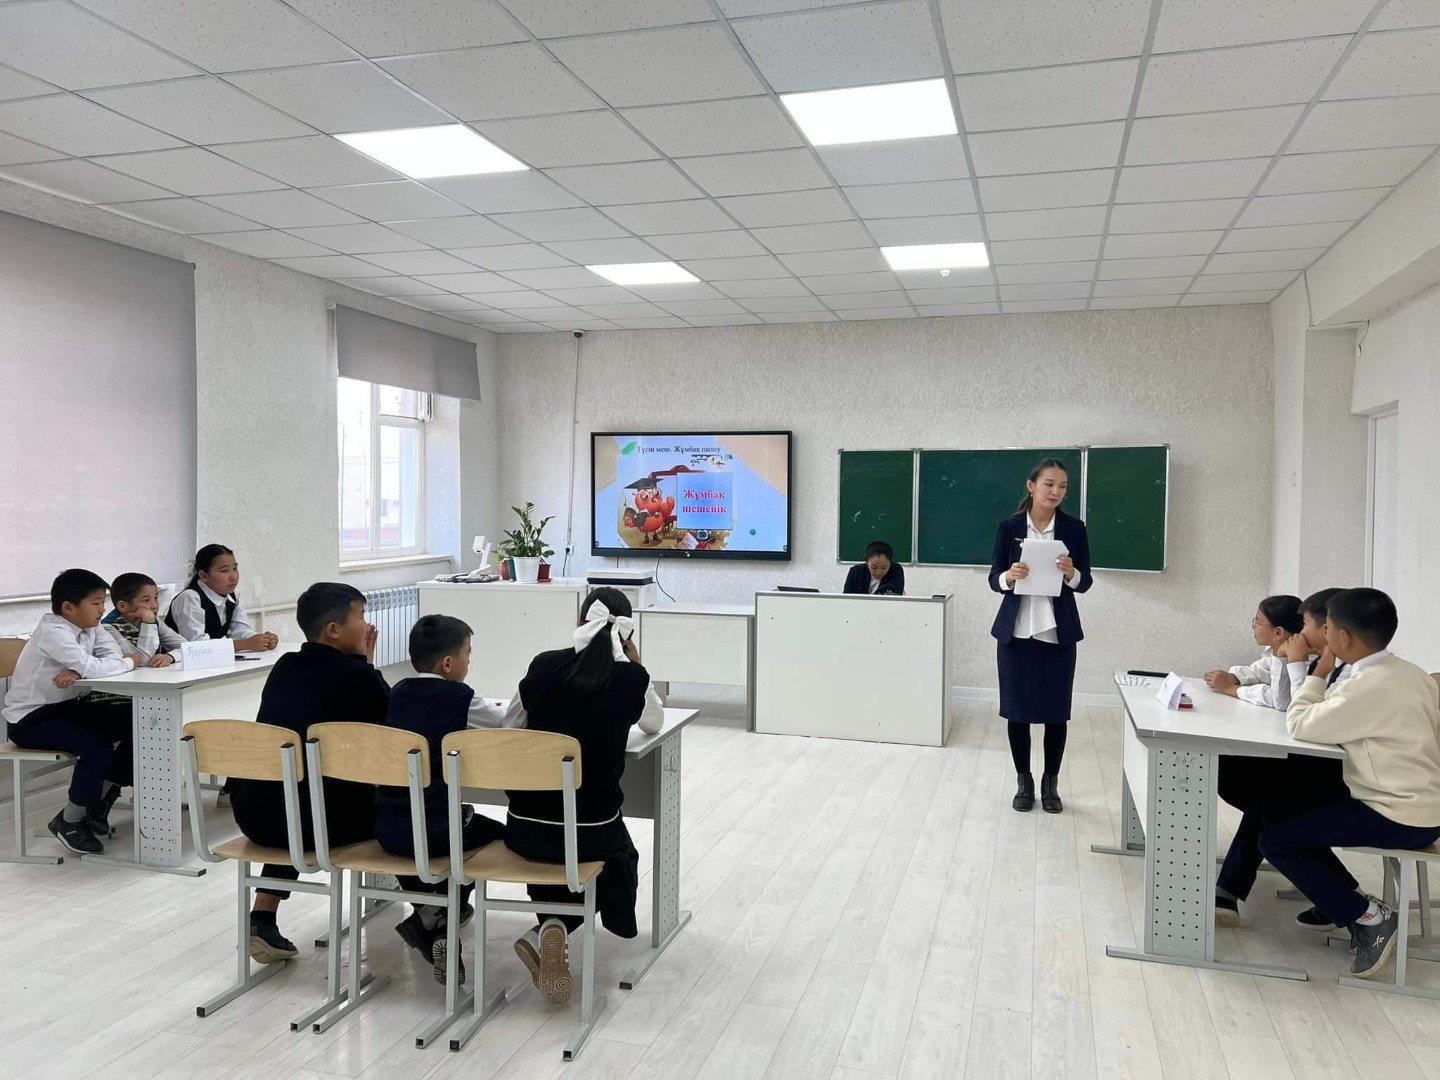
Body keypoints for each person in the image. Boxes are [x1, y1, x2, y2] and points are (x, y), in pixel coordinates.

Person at [1259, 588, 1440, 979]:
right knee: (1283, 807)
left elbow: (1300, 723)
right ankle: (1339, 900)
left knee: (1276, 840)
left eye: (1327, 627)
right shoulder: (1412, 674)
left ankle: (1369, 917)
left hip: (1394, 813)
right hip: (1423, 807)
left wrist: (1318, 673)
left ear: (1342, 637)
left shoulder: (1366, 686)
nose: (1322, 634)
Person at [503, 587, 663, 1004]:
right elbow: (653, 724)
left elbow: (509, 727)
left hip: (525, 830)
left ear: (578, 622)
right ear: (626, 634)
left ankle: (550, 926)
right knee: (617, 858)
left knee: (557, 847)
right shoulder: (630, 679)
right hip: (592, 829)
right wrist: (636, 665)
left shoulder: (543, 665)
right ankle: (555, 928)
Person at [229, 582, 386, 963]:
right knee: (399, 807)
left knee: (299, 794)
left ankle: (262, 917)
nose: (368, 625)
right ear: (334, 630)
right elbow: (392, 730)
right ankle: (432, 912)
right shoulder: (359, 677)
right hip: (321, 826)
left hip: (256, 815)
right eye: (361, 616)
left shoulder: (285, 667)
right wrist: (366, 666)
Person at [376, 614, 520, 984]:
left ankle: (431, 917)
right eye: (468, 653)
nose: (469, 661)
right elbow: (506, 726)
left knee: (457, 824)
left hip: (388, 827)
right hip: (435, 832)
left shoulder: (396, 693)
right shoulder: (461, 699)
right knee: (497, 835)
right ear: (448, 663)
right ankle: (443, 916)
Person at [1206, 593, 1349, 925]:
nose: (1301, 631)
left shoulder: (1344, 671)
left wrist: (1296, 663)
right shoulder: (1323, 659)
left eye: (1306, 625)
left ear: (1328, 630)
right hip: (1317, 761)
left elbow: (1298, 713)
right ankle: (1335, 892)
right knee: (1247, 783)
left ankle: (1230, 890)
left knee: (1266, 798)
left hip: (1339, 773)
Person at [2, 569, 141, 854]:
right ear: (68, 607)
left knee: (137, 724)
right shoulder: (53, 631)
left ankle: (99, 802)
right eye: (96, 603)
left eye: (103, 603)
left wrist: (81, 668)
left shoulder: (92, 627)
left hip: (68, 708)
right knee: (97, 748)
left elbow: (109, 657)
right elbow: (105, 665)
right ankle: (71, 820)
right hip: (31, 719)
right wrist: (122, 663)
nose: (102, 610)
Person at [989, 459, 1091, 814]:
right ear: (1031, 486)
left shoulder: (1074, 528)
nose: (1056, 491)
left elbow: (1085, 582)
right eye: (1049, 484)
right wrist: (1009, 576)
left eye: (1062, 486)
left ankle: (1051, 783)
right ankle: (1024, 781)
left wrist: (1071, 572)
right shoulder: (1010, 527)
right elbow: (994, 578)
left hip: (1057, 634)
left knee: (1055, 712)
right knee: (1016, 711)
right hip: (1016, 634)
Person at [165, 544, 277, 652]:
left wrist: (262, 640)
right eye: (224, 571)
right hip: (175, 662)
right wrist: (245, 644)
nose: (233, 577)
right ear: (204, 575)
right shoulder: (190, 598)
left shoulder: (233, 596)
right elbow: (197, 646)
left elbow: (240, 630)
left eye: (235, 568)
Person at [1204, 595, 1304, 709]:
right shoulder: (1275, 649)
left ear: (1278, 633)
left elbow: (1280, 700)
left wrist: (1230, 689)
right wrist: (1233, 677)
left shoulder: (1302, 660)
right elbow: (1259, 670)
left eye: (1257, 621)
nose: (1253, 626)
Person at [101, 572, 186, 668]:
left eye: (156, 598)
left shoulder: (154, 621)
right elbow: (142, 661)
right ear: (122, 606)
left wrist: (170, 656)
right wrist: (148, 623)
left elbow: (189, 647)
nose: (155, 605)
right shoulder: (108, 628)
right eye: (146, 600)